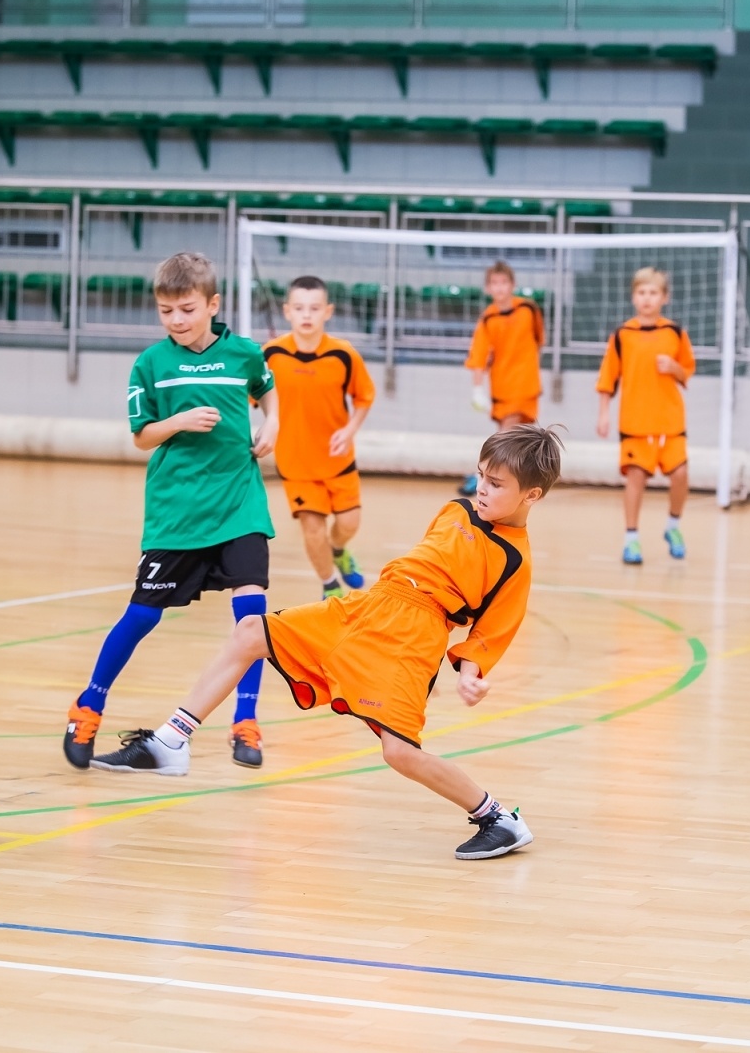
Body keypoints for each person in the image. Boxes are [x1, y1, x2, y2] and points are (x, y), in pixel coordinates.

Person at [91, 423, 564, 862]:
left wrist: (468, 673)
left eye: (496, 484)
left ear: (533, 495)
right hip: (370, 605)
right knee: (251, 631)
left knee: (398, 752)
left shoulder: (514, 559)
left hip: (412, 636)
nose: (481, 488)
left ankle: (497, 817)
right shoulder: (456, 509)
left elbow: (491, 629)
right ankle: (172, 741)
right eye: (480, 476)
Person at [65, 252, 280, 771]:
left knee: (252, 619)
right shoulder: (151, 364)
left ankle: (245, 721)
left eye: (186, 309)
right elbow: (141, 437)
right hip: (176, 512)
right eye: (166, 311)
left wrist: (272, 426)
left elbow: (269, 391)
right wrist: (179, 420)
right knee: (141, 615)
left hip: (239, 504)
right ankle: (88, 704)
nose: (176, 320)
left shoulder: (245, 355)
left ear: (212, 304)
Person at [263, 276, 376, 600]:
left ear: (327, 311)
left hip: (338, 459)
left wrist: (351, 428)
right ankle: (330, 586)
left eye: (314, 308)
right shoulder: (270, 355)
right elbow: (248, 397)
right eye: (299, 308)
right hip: (295, 463)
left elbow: (365, 396)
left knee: (349, 523)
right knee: (312, 530)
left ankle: (339, 549)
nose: (306, 315)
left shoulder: (343, 354)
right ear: (287, 311)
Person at [595, 267, 694, 566]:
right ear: (633, 297)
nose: (647, 298)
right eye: (641, 292)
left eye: (653, 293)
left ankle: (673, 527)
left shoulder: (675, 333)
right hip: (635, 424)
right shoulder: (622, 335)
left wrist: (673, 368)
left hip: (670, 423)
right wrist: (603, 414)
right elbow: (607, 378)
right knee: (635, 478)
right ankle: (631, 539)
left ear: (664, 297)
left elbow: (687, 371)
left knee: (680, 475)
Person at [459, 261, 544, 495]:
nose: (499, 288)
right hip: (501, 386)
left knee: (509, 437)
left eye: (503, 282)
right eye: (494, 283)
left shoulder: (528, 309)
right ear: (488, 288)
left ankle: (486, 478)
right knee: (509, 439)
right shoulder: (488, 319)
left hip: (525, 384)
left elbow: (539, 339)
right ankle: (492, 479)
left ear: (512, 285)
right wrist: (477, 388)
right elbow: (479, 355)